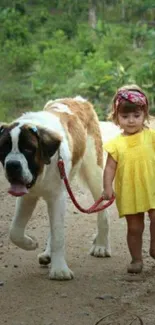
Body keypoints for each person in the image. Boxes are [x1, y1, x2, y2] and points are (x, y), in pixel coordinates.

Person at [103, 84, 155, 274]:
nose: (131, 121)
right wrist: (107, 187)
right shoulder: (116, 144)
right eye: (125, 117)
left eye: (136, 116)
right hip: (130, 191)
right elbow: (109, 167)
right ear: (116, 118)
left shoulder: (151, 137)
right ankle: (136, 259)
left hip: (152, 187)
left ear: (144, 115)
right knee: (134, 227)